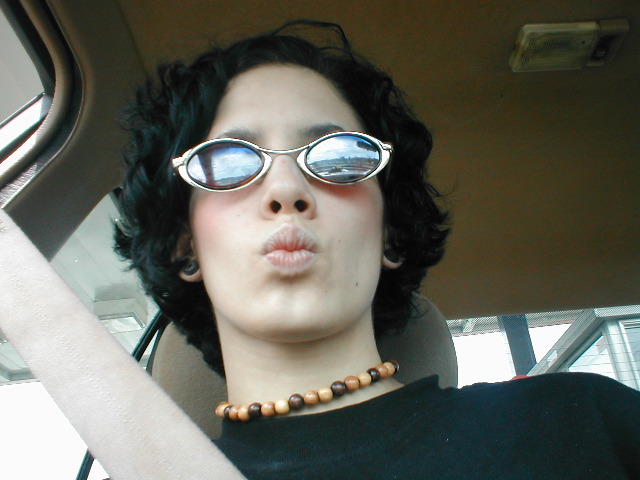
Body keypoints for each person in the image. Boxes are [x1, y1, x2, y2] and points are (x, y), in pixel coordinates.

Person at [115, 21, 640, 480]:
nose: (286, 189)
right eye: (229, 161)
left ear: (389, 232)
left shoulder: (584, 423)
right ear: (184, 244)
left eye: (338, 157)